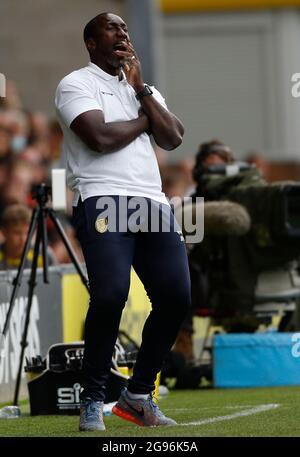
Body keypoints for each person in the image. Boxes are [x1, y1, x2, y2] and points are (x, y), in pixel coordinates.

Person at [55, 12, 191, 431]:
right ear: (91, 43)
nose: (122, 34)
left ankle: (137, 395)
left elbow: (173, 136)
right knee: (111, 295)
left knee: (176, 299)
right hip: (102, 198)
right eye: (111, 29)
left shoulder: (143, 90)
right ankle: (93, 397)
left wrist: (142, 94)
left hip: (151, 202)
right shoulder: (75, 83)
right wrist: (144, 120)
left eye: (125, 29)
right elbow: (99, 137)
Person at [0, 203, 56, 269]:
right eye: (17, 233)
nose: (23, 239)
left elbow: (57, 277)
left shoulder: (43, 254)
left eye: (27, 233)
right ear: (4, 232)